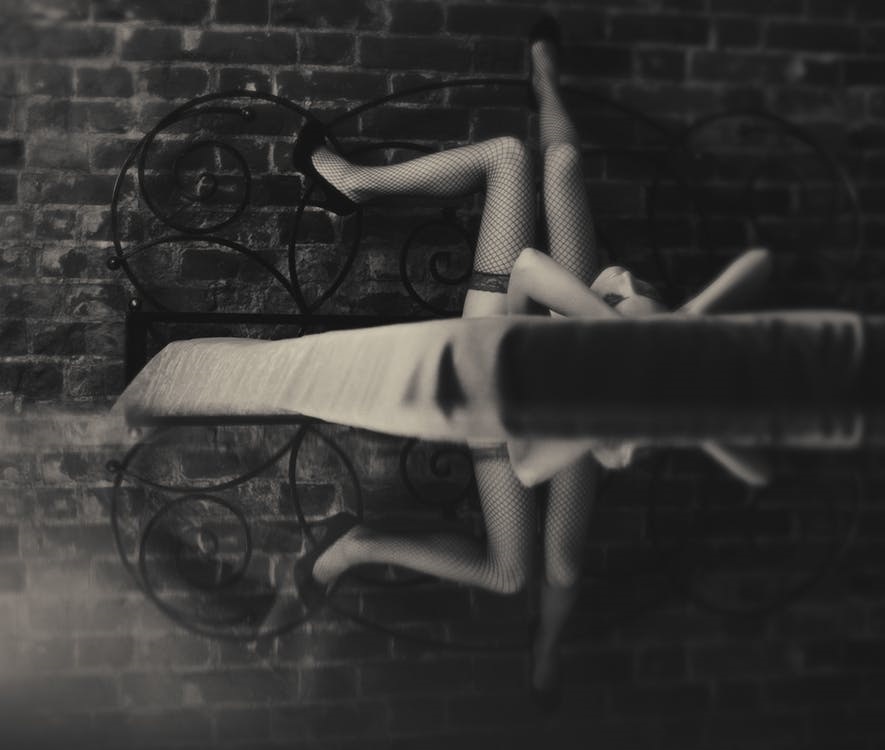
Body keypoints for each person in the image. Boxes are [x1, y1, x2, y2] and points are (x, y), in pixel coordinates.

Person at [288, 16, 773, 710]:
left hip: (514, 328)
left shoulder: (658, 406)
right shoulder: (684, 331)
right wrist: (652, 324)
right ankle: (533, 85)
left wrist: (647, 367)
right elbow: (753, 267)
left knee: (523, 573)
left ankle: (361, 549)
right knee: (552, 162)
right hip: (571, 307)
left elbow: (524, 269)